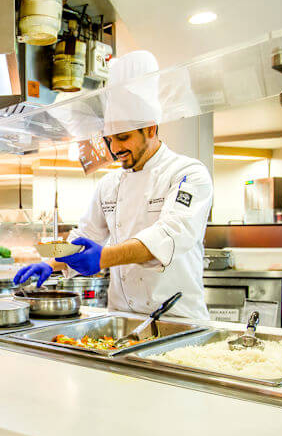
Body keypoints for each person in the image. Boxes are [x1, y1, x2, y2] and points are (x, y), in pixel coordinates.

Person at [15, 51, 214, 321]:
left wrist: (104, 257)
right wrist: (51, 264)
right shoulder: (109, 185)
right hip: (121, 318)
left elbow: (170, 235)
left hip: (176, 319)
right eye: (110, 140)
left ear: (151, 129)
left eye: (123, 137)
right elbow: (87, 237)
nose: (116, 148)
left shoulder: (188, 174)